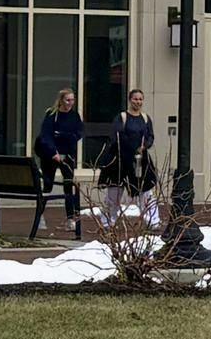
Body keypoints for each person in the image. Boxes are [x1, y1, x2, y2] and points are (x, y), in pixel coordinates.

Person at [96, 88, 161, 229]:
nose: (138, 102)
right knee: (115, 192)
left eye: (140, 99)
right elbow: (117, 136)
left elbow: (150, 136)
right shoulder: (122, 117)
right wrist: (131, 148)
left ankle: (153, 220)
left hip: (140, 160)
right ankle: (108, 221)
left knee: (145, 190)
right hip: (120, 160)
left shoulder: (145, 118)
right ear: (130, 100)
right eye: (135, 99)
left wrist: (144, 146)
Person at [33, 88, 83, 233]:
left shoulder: (74, 116)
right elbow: (46, 135)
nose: (70, 103)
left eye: (72, 100)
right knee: (47, 185)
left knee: (68, 185)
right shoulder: (52, 114)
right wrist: (53, 151)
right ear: (61, 100)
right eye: (68, 100)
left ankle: (70, 218)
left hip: (67, 154)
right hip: (51, 155)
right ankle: (40, 216)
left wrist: (67, 137)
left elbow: (78, 132)